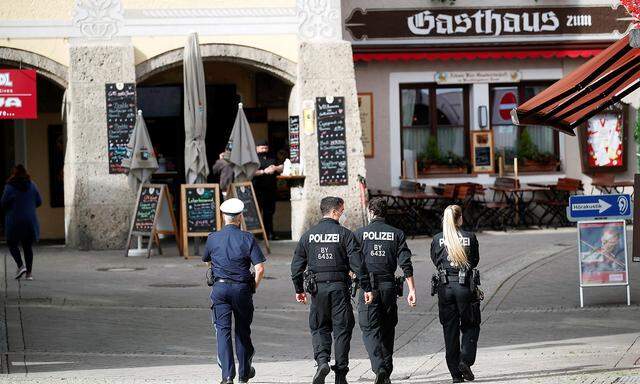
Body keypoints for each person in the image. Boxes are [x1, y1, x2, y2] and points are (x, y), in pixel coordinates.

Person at [291, 197, 373, 384]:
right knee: (342, 329)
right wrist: (366, 287)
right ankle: (341, 374)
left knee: (319, 327)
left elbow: (296, 267)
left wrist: (299, 289)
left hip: (317, 290)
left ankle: (322, 362)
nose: (342, 214)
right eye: (342, 211)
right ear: (335, 212)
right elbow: (358, 264)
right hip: (339, 288)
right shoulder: (345, 235)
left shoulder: (308, 235)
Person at [203, 198, 266, 384]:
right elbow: (260, 268)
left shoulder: (213, 238)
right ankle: (244, 374)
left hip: (220, 288)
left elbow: (207, 261)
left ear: (223, 217)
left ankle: (227, 377)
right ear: (240, 217)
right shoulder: (247, 238)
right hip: (242, 289)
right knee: (242, 331)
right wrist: (253, 286)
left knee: (223, 331)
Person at [354, 197, 416, 384]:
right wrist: (412, 289)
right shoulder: (396, 233)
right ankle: (386, 372)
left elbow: (353, 263)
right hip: (389, 286)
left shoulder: (360, 234)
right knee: (388, 328)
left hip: (368, 287)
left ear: (371, 212)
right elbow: (405, 263)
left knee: (369, 328)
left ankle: (379, 366)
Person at [430, 205, 480, 383]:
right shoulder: (469, 237)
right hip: (465, 287)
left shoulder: (437, 239)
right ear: (460, 219)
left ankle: (455, 375)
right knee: (471, 324)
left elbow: (435, 260)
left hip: (445, 288)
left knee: (449, 330)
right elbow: (474, 260)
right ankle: (465, 360)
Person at [1, 165, 42, 280]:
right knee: (27, 247)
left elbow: (3, 203)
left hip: (14, 221)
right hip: (29, 222)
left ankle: (20, 265)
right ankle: (29, 274)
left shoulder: (10, 187)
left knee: (11, 243)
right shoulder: (32, 185)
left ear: (14, 174)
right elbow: (39, 202)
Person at [252, 140, 282, 240]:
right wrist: (264, 171)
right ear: (257, 148)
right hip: (258, 189)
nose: (264, 150)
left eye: (266, 148)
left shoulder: (271, 157)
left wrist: (276, 168)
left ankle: (270, 233)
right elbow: (250, 173)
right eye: (262, 148)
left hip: (271, 189)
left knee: (269, 212)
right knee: (257, 212)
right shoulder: (253, 158)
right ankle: (257, 234)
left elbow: (282, 166)